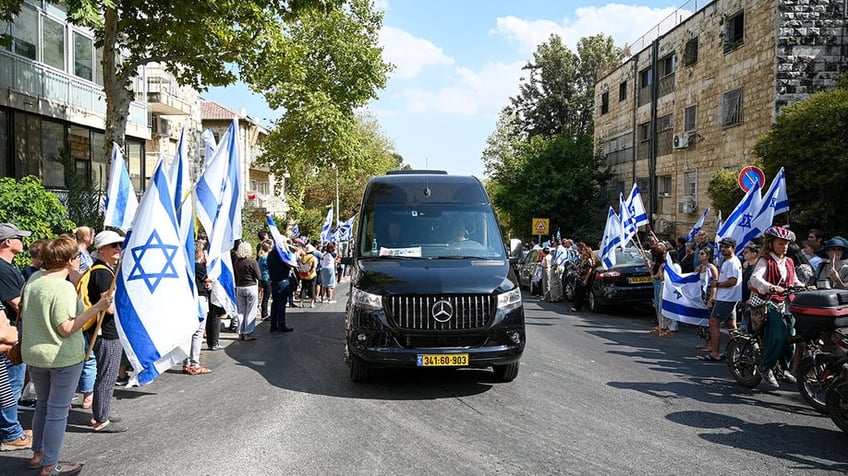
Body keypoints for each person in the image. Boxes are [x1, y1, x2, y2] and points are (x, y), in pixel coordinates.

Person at [21, 236, 112, 475]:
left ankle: (38, 454)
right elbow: (67, 327)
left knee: (43, 405)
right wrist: (97, 308)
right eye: (77, 257)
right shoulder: (61, 287)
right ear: (70, 260)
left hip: (36, 354)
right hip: (61, 356)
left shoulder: (35, 279)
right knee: (57, 411)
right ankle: (50, 464)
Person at [749, 226, 804, 389]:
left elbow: (793, 281)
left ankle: (783, 368)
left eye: (786, 244)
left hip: (787, 303)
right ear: (771, 244)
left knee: (792, 337)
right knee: (779, 335)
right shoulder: (765, 260)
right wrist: (771, 287)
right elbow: (755, 278)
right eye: (780, 243)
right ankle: (765, 367)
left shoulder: (789, 261)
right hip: (769, 303)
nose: (784, 246)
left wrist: (805, 287)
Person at [85, 230, 127, 433]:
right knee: (108, 374)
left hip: (105, 329)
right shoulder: (102, 272)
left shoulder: (104, 269)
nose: (119, 248)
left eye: (119, 245)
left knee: (105, 373)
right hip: (106, 331)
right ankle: (101, 418)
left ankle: (100, 413)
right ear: (101, 250)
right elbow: (107, 307)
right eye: (114, 246)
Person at [0, 222, 32, 451]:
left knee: (10, 384)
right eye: (19, 237)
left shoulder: (8, 267)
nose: (23, 241)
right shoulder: (2, 269)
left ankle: (12, 429)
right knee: (9, 385)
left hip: (12, 333)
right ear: (7, 242)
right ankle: (11, 433)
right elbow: (18, 303)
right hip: (8, 337)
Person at [701, 237, 741, 362]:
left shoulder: (732, 262)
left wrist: (717, 284)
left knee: (714, 323)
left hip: (726, 299)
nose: (723, 249)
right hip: (727, 298)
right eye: (722, 247)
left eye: (726, 247)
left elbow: (733, 281)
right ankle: (734, 353)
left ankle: (715, 353)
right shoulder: (728, 261)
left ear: (733, 248)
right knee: (731, 327)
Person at [184, 243, 212, 374]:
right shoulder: (198, 267)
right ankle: (194, 364)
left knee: (188, 331)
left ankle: (186, 362)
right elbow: (208, 280)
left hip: (187, 298)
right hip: (200, 299)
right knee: (198, 332)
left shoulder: (184, 265)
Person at [233, 241, 260, 341]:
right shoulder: (252, 262)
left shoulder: (236, 262)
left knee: (241, 311)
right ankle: (248, 333)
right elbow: (259, 276)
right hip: (251, 286)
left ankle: (240, 332)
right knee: (251, 311)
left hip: (240, 286)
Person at [694, 244, 718, 352]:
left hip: (708, 294)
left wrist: (711, 299)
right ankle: (705, 342)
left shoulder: (712, 268)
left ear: (708, 256)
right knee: (701, 320)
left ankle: (711, 345)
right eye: (699, 253)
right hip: (700, 295)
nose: (700, 255)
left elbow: (714, 285)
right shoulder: (700, 267)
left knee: (708, 320)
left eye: (702, 253)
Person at [267, 241, 295, 334]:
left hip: (274, 282)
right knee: (281, 304)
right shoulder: (282, 254)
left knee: (275, 303)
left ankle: (273, 325)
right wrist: (290, 252)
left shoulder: (270, 254)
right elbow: (291, 263)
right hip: (282, 281)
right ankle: (281, 325)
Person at [570, 244, 597, 312]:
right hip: (579, 277)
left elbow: (589, 271)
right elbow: (580, 268)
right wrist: (575, 267)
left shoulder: (589, 260)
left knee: (580, 293)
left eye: (584, 250)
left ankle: (578, 307)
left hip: (583, 278)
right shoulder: (584, 259)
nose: (582, 251)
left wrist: (585, 280)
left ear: (587, 252)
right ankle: (575, 306)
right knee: (577, 292)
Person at [257, 241, 272, 320]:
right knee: (266, 298)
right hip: (267, 278)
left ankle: (264, 313)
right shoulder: (266, 257)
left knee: (264, 297)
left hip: (262, 278)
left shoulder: (261, 257)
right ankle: (264, 314)